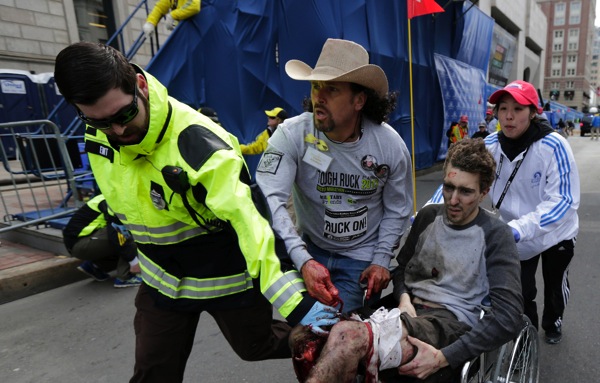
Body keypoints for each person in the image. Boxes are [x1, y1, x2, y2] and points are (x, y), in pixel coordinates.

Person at [54, 42, 338, 383]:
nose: (116, 131)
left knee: (255, 346)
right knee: (152, 371)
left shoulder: (197, 143)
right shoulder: (99, 135)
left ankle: (333, 341)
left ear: (140, 86)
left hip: (225, 278)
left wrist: (297, 304)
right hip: (163, 282)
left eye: (123, 116)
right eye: (98, 121)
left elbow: (250, 221)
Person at [291, 138, 524, 383]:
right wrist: (403, 298)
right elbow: (401, 269)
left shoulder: (496, 235)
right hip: (405, 308)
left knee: (347, 337)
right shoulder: (428, 217)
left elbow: (508, 316)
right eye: (448, 187)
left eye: (465, 191)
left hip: (448, 322)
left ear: (484, 192)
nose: (453, 200)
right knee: (303, 337)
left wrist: (445, 357)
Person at [255, 38, 413, 314]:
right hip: (307, 248)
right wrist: (303, 260)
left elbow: (397, 209)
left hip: (361, 259)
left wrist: (379, 260)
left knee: (342, 342)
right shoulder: (292, 135)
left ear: (359, 100)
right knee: (307, 340)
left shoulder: (390, 146)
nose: (319, 97)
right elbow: (269, 199)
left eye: (332, 89)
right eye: (316, 86)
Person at [431, 80, 579, 345]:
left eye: (518, 109)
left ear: (533, 112)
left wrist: (520, 228)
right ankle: (526, 344)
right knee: (519, 293)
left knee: (555, 286)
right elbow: (456, 177)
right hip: (514, 235)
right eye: (502, 108)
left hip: (555, 232)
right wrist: (428, 213)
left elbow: (564, 200)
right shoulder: (488, 145)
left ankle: (554, 320)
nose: (509, 116)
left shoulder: (554, 146)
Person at [63, 194, 142, 288]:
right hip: (81, 244)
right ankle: (125, 277)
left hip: (79, 244)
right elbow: (117, 234)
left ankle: (96, 266)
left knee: (120, 236)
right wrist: (134, 262)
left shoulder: (109, 195)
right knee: (129, 232)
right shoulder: (113, 202)